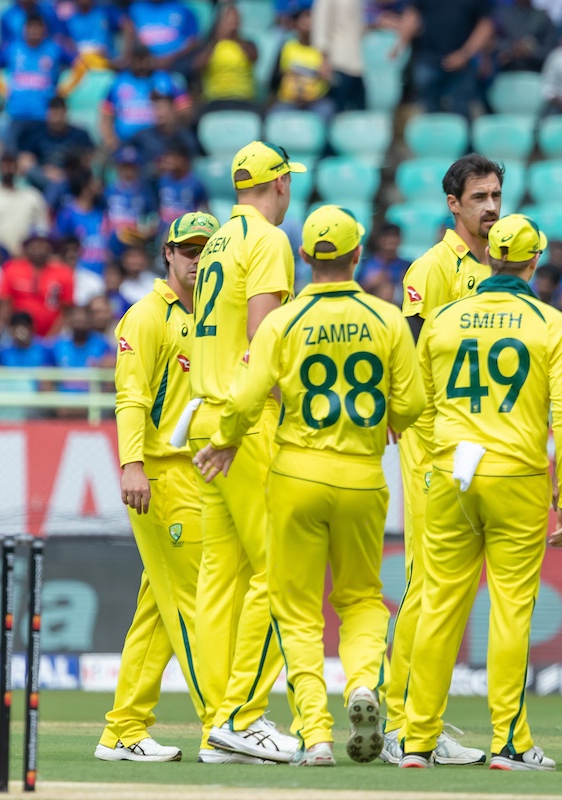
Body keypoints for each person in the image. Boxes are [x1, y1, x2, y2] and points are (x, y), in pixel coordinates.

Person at [194, 206, 424, 767]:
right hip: (364, 477)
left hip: (296, 472)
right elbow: (414, 405)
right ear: (359, 254)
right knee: (362, 598)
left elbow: (247, 398)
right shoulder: (388, 318)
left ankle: (316, 733)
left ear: (304, 257)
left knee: (295, 609)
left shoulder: (283, 321)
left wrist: (224, 439)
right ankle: (364, 684)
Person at [400, 214, 562, 772]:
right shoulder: (552, 324)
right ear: (533, 261)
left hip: (451, 472)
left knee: (438, 605)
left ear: (491, 258)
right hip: (516, 475)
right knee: (509, 610)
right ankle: (510, 741)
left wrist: (436, 462)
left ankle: (415, 739)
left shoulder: (445, 318)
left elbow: (419, 404)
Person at [184, 140, 307, 764]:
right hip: (244, 420)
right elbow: (264, 335)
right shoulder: (269, 240)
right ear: (279, 184)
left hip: (206, 414)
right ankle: (243, 715)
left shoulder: (217, 244)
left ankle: (216, 723)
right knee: (277, 571)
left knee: (219, 580)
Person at [380, 154, 503, 767]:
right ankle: (401, 719)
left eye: (496, 195)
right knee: (429, 586)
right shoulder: (431, 269)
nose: (490, 206)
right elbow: (411, 357)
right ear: (453, 205)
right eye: (479, 196)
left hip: (479, 447)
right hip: (435, 444)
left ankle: (415, 714)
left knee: (449, 590)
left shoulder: (497, 267)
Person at [95, 212, 220, 763]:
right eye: (188, 250)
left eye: (207, 250)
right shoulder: (146, 316)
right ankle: (224, 724)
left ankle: (123, 730)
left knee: (160, 610)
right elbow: (131, 398)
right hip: (162, 477)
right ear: (168, 253)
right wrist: (132, 464)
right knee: (194, 605)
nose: (197, 259)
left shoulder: (217, 316)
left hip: (199, 475)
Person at [0, 14, 84, 152]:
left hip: (43, 115)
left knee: (41, 156)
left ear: (44, 29)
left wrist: (64, 90)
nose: (34, 32)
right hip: (16, 114)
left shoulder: (53, 48)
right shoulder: (13, 48)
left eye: (38, 28)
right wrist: (3, 89)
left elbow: (80, 66)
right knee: (11, 154)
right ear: (25, 29)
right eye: (31, 28)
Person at [392, 0, 494, 118]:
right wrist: (399, 45)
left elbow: (485, 25)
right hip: (428, 59)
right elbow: (412, 15)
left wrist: (465, 54)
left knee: (461, 111)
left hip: (464, 65)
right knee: (430, 113)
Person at [101, 45, 192, 152]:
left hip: (158, 142)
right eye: (137, 60)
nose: (141, 64)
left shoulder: (165, 79)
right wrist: (111, 140)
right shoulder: (119, 82)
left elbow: (185, 109)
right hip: (126, 143)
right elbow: (106, 115)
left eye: (144, 59)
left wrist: (169, 121)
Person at [0, 233, 75, 338]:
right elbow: (4, 304)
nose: (40, 249)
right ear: (26, 248)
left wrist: (52, 337)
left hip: (53, 335)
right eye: (35, 245)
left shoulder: (64, 272)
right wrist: (13, 331)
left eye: (43, 245)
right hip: (16, 332)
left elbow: (66, 310)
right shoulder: (12, 269)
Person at [0, 152, 50, 256]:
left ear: (17, 167)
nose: (8, 169)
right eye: (5, 166)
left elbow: (42, 229)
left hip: (26, 258)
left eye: (12, 165)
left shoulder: (33, 197)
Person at [270, 9, 336, 123]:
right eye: (304, 23)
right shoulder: (287, 47)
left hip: (315, 103)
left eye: (311, 23)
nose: (308, 27)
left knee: (327, 109)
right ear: (296, 25)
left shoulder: (323, 51)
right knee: (275, 114)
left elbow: (332, 82)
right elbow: (274, 79)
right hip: (288, 101)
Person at [193, 2, 260, 116]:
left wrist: (236, 38)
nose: (232, 24)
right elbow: (197, 66)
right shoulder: (211, 45)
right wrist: (217, 40)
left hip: (243, 99)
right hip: (216, 100)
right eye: (228, 20)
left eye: (235, 19)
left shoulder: (247, 44)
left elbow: (254, 57)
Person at [17, 97, 94, 195]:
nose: (56, 119)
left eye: (59, 114)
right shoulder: (36, 133)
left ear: (65, 113)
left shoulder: (79, 135)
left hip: (70, 179)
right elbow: (24, 161)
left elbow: (89, 160)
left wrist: (64, 174)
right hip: (43, 179)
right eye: (53, 114)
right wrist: (45, 172)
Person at [312, 0, 369, 112]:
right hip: (338, 63)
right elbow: (321, 27)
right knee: (338, 111)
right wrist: (324, 60)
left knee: (359, 111)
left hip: (358, 64)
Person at [104, 146, 159, 260]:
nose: (128, 171)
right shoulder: (109, 190)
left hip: (134, 243)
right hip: (111, 241)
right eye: (125, 167)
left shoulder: (144, 192)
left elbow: (153, 217)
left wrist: (149, 229)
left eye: (132, 167)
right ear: (118, 167)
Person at [129, 0, 200, 75]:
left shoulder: (183, 9)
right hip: (141, 66)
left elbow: (193, 41)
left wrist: (170, 58)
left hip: (175, 67)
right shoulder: (135, 9)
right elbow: (131, 38)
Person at [128, 91, 201, 164]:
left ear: (173, 110)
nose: (159, 113)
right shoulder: (143, 137)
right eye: (156, 108)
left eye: (162, 108)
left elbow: (194, 163)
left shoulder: (186, 137)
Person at [156, 143, 210, 235]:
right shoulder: (162, 180)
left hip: (186, 232)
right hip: (164, 231)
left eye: (173, 157)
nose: (168, 161)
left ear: (183, 159)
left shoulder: (195, 183)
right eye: (167, 156)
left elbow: (206, 209)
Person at [493, 0, 557, 73]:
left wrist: (530, 51)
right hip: (503, 73)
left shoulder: (543, 17)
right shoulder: (501, 14)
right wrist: (512, 49)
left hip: (533, 75)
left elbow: (551, 51)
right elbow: (492, 42)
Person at [65, 0, 131, 69]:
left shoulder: (105, 12)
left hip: (106, 65)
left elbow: (128, 27)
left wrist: (124, 56)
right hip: (81, 67)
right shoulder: (69, 20)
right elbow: (66, 42)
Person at [356, 223, 410, 295]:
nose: (391, 240)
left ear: (400, 239)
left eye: (394, 236)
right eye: (387, 236)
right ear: (378, 239)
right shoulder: (366, 263)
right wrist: (370, 284)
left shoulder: (407, 266)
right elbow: (356, 291)